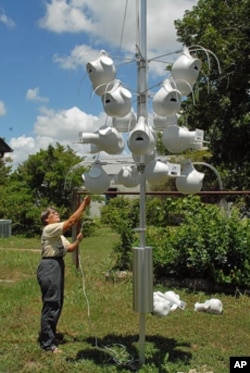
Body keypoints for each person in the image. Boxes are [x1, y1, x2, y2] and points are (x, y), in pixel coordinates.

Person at [37, 195, 91, 353]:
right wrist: (83, 205)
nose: (57, 214)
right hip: (49, 266)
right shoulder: (49, 229)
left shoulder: (58, 235)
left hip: (57, 265)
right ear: (47, 220)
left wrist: (78, 241)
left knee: (57, 302)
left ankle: (51, 335)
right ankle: (47, 343)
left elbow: (70, 249)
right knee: (52, 303)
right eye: (53, 213)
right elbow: (72, 221)